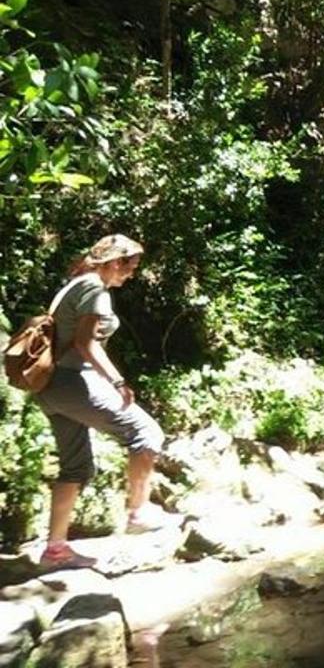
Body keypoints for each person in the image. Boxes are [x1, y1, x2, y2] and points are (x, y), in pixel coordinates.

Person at [34, 234, 170, 568]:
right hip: (74, 382)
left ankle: (55, 549)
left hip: (49, 388)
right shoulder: (94, 289)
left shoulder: (73, 285)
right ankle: (138, 513)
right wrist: (118, 381)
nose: (131, 274)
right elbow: (86, 344)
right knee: (147, 434)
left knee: (76, 466)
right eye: (130, 267)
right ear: (113, 262)